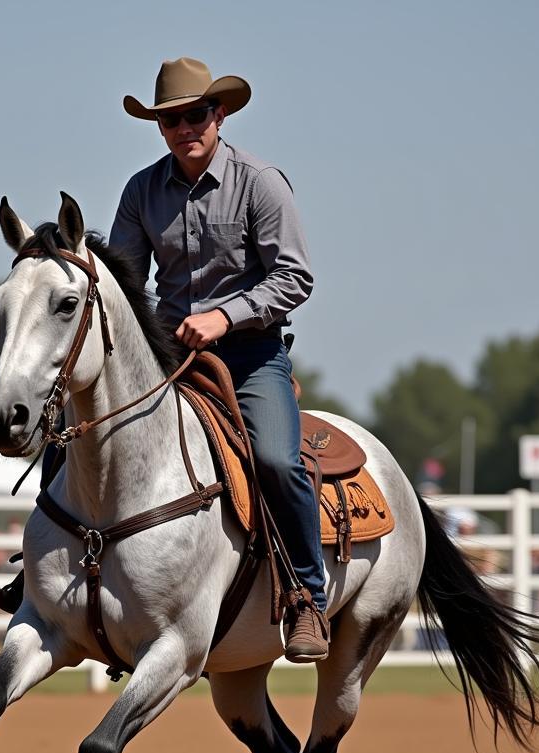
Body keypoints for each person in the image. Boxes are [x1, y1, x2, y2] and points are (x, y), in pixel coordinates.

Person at [109, 56, 327, 661]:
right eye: (172, 119)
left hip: (252, 355)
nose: (186, 127)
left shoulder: (260, 182)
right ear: (159, 128)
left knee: (278, 461)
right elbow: (126, 285)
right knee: (77, 433)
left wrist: (225, 316)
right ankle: (46, 575)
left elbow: (295, 277)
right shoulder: (140, 191)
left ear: (219, 113)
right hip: (169, 354)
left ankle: (308, 597)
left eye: (196, 114)